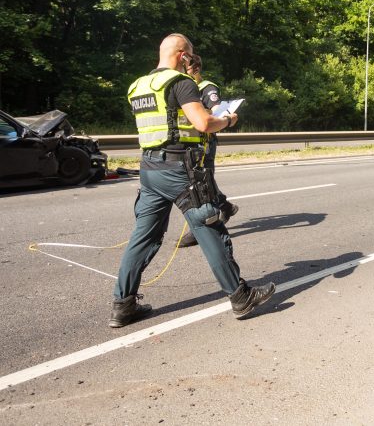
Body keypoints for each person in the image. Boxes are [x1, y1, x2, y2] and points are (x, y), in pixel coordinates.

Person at [109, 33, 275, 328]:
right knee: (209, 227)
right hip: (180, 171)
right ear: (184, 55)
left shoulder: (138, 86)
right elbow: (204, 123)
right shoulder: (180, 83)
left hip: (149, 170)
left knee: (143, 238)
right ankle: (241, 297)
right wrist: (228, 121)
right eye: (192, 56)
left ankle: (123, 305)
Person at [177, 53, 237, 248]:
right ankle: (225, 207)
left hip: (205, 143)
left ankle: (202, 226)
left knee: (201, 184)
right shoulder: (181, 85)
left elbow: (217, 110)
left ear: (195, 69)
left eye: (184, 69)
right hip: (188, 143)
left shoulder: (206, 87)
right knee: (204, 182)